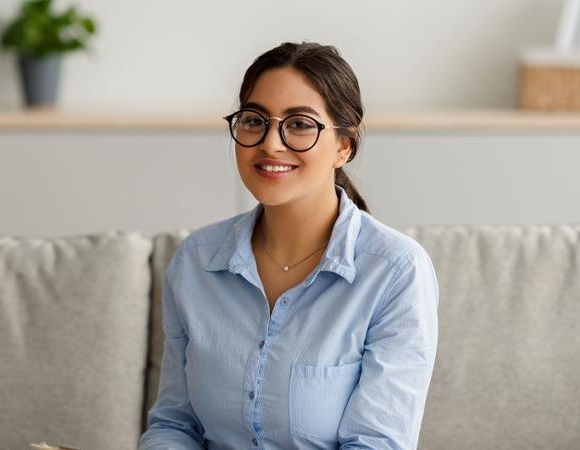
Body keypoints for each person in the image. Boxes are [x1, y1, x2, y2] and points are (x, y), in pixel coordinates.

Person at [139, 41, 439, 450]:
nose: (270, 143)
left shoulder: (395, 271)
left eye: (299, 124)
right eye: (254, 120)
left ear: (343, 146)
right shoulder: (196, 262)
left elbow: (376, 444)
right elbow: (175, 425)